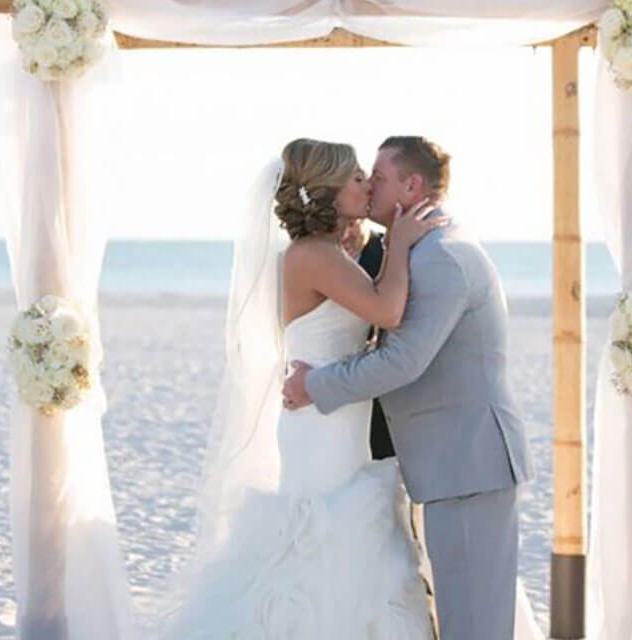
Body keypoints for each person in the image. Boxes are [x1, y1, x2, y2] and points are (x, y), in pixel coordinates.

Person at [163, 138, 443, 638]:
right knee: (327, 539)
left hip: (332, 414)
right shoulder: (313, 256)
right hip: (324, 425)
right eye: (357, 178)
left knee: (348, 536)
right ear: (331, 191)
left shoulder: (326, 254)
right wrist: (398, 243)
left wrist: (364, 252)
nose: (367, 184)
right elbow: (387, 311)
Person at [283, 136, 536, 639]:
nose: (369, 186)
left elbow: (402, 360)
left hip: (466, 463)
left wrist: (316, 384)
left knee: (473, 622)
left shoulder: (440, 255)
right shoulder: (426, 248)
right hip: (454, 464)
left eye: (378, 177)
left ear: (412, 185)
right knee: (465, 615)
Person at [341, 218, 395, 460]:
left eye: (352, 224)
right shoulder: (311, 255)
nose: (345, 233)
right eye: (337, 223)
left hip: (378, 398)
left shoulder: (389, 253)